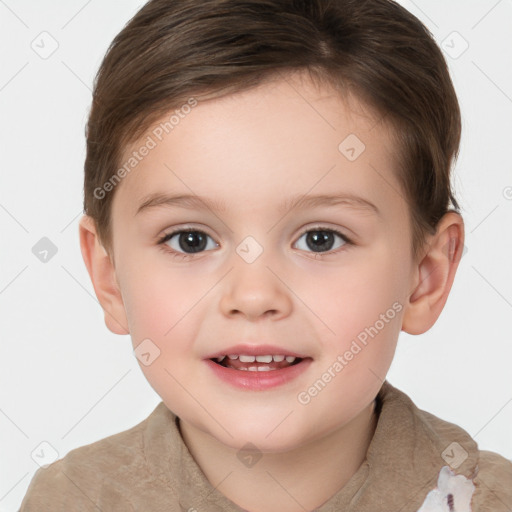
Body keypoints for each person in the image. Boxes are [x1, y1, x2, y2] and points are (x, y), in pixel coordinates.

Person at [20, 0, 512, 510]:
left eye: (321, 239)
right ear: (109, 277)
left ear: (424, 278)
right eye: (191, 240)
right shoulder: (70, 500)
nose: (254, 297)